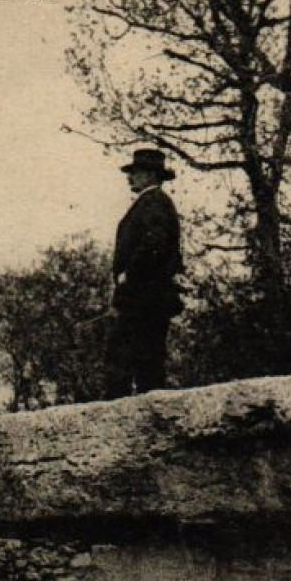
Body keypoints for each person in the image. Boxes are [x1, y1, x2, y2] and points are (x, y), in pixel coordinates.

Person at [105, 148, 183, 397]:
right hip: (144, 295)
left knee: (129, 355)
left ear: (150, 175)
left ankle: (127, 416)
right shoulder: (150, 203)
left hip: (145, 296)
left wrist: (129, 273)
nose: (130, 178)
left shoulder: (155, 203)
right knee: (141, 357)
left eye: (135, 173)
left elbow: (156, 244)